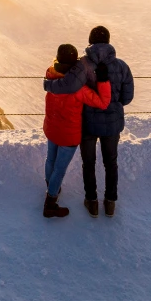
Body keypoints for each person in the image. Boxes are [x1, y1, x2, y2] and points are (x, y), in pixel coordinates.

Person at [41, 43, 111, 218]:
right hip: (68, 135)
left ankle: (51, 187)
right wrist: (102, 80)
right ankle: (50, 202)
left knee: (50, 159)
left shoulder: (50, 76)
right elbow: (103, 102)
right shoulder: (79, 89)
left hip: (51, 128)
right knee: (60, 168)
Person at [79, 25, 135, 218]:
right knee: (111, 163)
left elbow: (73, 93)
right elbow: (127, 98)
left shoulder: (82, 65)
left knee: (89, 162)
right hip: (112, 123)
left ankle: (91, 202)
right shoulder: (121, 66)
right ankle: (110, 203)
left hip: (87, 122)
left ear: (90, 42)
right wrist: (114, 104)